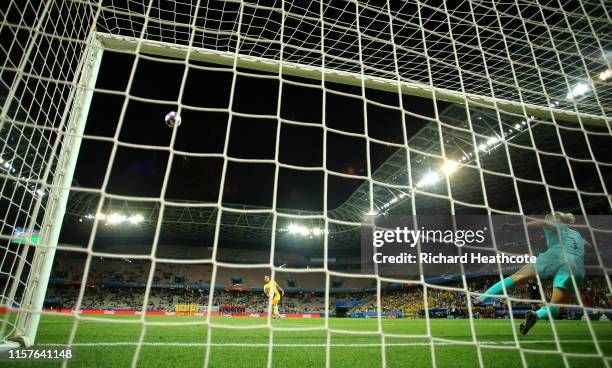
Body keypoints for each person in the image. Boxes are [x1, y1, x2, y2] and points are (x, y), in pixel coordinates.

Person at [473, 212, 589, 335]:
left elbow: (541, 223)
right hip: (575, 265)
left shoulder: (555, 225)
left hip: (554, 255)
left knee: (516, 278)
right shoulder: (578, 235)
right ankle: (537, 315)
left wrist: (516, 226)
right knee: (558, 306)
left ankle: (480, 298)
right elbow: (589, 246)